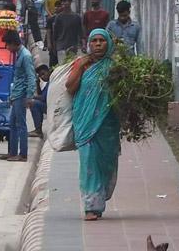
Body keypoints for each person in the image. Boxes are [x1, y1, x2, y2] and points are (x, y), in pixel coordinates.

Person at [66, 29, 122, 221]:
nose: (98, 44)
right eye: (94, 41)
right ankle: (91, 206)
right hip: (85, 123)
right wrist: (80, 67)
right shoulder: (82, 64)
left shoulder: (116, 67)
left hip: (108, 125)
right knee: (88, 161)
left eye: (102, 41)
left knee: (105, 163)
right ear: (89, 44)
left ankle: (100, 198)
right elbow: (70, 88)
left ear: (108, 43)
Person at [0, 30, 36, 162]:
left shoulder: (25, 56)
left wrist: (30, 96)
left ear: (14, 43)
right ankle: (12, 152)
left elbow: (31, 76)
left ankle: (23, 154)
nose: (7, 48)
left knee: (21, 125)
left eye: (8, 45)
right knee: (13, 124)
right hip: (16, 94)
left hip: (21, 95)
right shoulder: (18, 55)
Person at [52, 0, 83, 66]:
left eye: (66, 1)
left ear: (70, 2)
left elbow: (80, 32)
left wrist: (82, 44)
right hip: (61, 47)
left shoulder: (77, 17)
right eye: (63, 2)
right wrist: (54, 47)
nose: (64, 3)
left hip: (72, 47)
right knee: (62, 68)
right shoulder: (58, 17)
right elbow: (55, 34)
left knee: (71, 68)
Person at [29, 64, 51, 138]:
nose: (42, 77)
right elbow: (41, 95)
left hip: (51, 107)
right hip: (49, 105)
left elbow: (43, 98)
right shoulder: (48, 83)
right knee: (35, 102)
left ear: (48, 71)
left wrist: (31, 97)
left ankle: (38, 130)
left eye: (43, 74)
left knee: (33, 103)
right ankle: (38, 129)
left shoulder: (51, 82)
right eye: (40, 75)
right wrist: (37, 83)